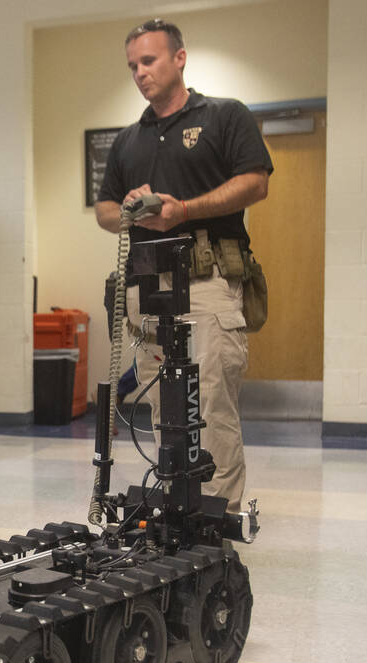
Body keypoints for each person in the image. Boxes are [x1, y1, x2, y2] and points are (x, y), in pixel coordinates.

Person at [95, 18, 272, 513]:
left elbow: (255, 182)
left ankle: (218, 520)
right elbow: (104, 210)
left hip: (205, 279)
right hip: (147, 285)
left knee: (209, 404)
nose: (140, 73)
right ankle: (177, 508)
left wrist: (184, 210)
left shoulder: (223, 116)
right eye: (132, 65)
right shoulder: (130, 139)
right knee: (160, 404)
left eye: (148, 61)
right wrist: (131, 209)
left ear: (179, 58)